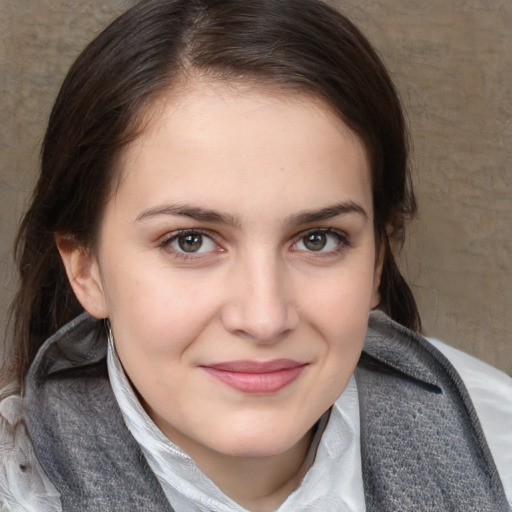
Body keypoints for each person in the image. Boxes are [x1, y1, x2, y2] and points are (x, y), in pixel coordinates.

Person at [1, 0, 510, 510]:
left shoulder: (499, 443)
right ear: (84, 267)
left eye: (318, 239)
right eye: (190, 241)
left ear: (378, 258)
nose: (264, 319)